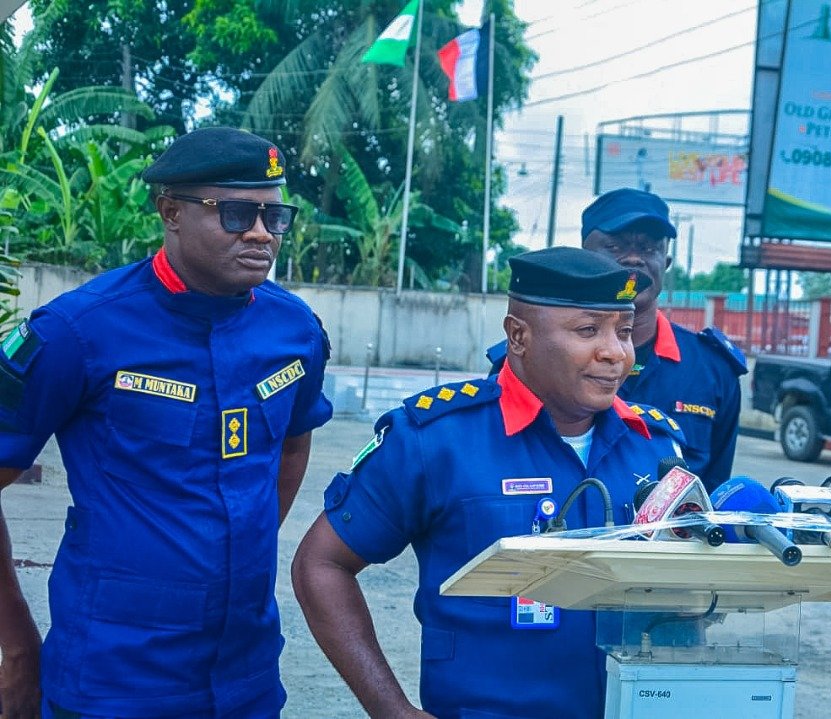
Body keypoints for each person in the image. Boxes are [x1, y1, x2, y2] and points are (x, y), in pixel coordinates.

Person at [0, 127, 333, 719]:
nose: (261, 233)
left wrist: (228, 549)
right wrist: (19, 647)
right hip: (112, 680)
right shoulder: (77, 332)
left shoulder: (296, 332)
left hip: (247, 678)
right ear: (171, 212)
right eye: (236, 214)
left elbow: (291, 447)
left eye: (275, 216)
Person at [292, 247, 685, 719]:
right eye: (587, 330)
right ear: (518, 336)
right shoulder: (437, 439)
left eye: (623, 331)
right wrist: (391, 709)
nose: (615, 353)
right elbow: (322, 564)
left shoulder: (655, 447)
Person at [488, 188, 746, 492]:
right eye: (614, 246)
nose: (634, 258)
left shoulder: (713, 370)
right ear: (584, 254)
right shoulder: (529, 360)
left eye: (649, 248)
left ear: (666, 261)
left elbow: (712, 495)